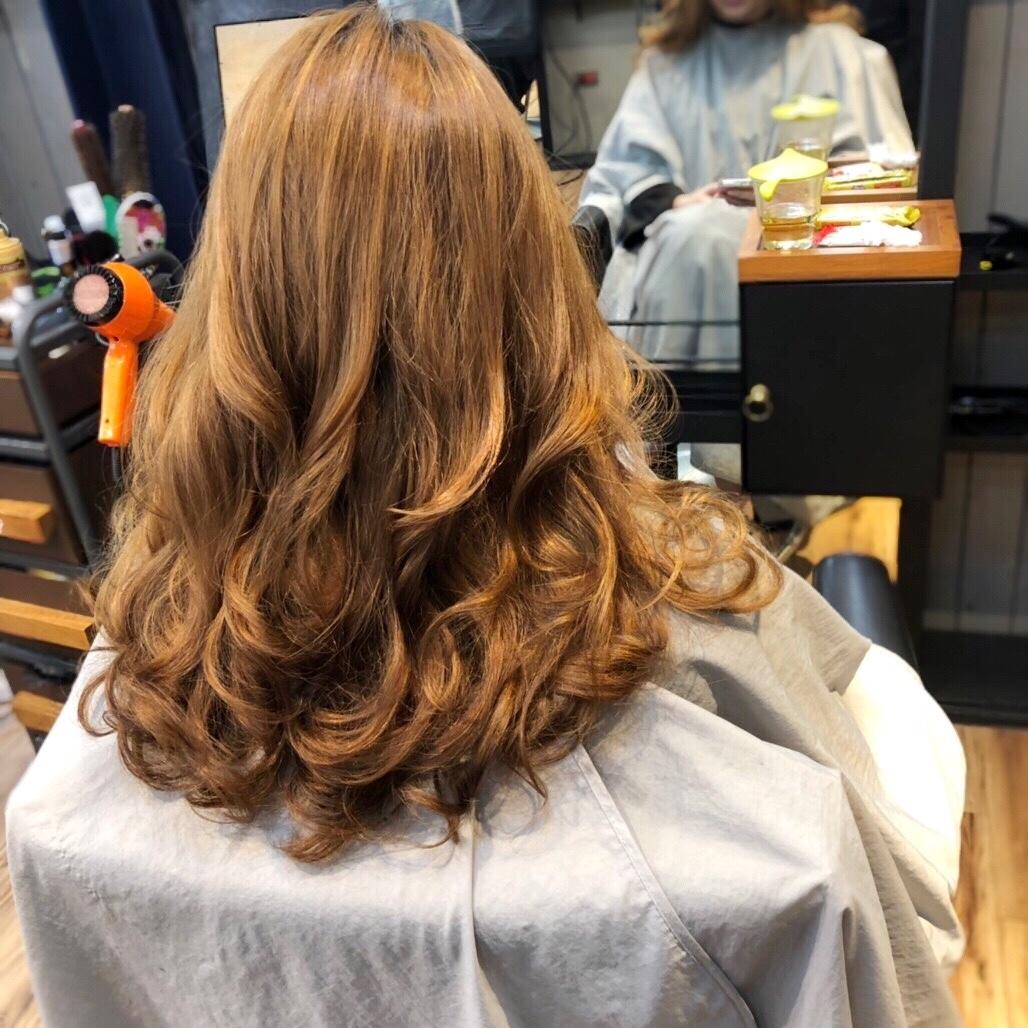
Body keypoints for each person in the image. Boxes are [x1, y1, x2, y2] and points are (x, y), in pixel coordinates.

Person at [7, 6, 962, 1026]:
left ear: (228, 305)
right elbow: (889, 884)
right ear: (538, 288)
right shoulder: (682, 590)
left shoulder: (90, 756)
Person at [578, 0, 915, 364]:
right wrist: (675, 202)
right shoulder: (665, 66)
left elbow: (886, 176)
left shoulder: (840, 55)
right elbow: (623, 174)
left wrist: (796, 192)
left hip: (809, 243)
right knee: (702, 235)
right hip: (685, 246)